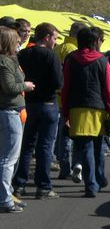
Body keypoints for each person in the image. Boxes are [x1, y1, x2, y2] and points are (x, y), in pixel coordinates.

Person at [61, 27, 110, 198]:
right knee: (98, 146)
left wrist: (65, 111)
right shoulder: (102, 60)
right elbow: (108, 89)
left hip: (77, 107)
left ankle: (92, 182)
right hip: (98, 108)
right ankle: (96, 181)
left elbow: (66, 87)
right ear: (95, 41)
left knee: (85, 147)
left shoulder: (71, 59)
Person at [13, 22, 63, 200]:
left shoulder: (24, 54)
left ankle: (19, 184)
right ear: (47, 37)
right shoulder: (51, 56)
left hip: (28, 103)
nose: (55, 42)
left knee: (26, 145)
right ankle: (43, 186)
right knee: (45, 146)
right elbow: (58, 82)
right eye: (55, 38)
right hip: (48, 104)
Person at [0, 27, 35, 213]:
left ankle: (7, 193)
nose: (19, 43)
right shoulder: (4, 62)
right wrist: (26, 86)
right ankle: (5, 199)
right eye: (16, 40)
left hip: (12, 111)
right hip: (9, 111)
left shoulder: (9, 60)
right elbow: (9, 86)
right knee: (8, 159)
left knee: (8, 157)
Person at [54, 21, 87, 180]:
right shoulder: (73, 51)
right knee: (69, 135)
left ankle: (63, 166)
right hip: (70, 97)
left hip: (57, 96)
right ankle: (68, 167)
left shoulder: (59, 47)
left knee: (62, 135)